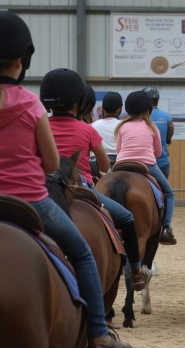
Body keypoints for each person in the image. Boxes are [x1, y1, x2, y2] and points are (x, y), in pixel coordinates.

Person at [0, 9, 132, 348]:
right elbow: (49, 164)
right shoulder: (30, 104)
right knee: (82, 255)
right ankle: (99, 338)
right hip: (29, 200)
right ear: (20, 61)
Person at [41, 68, 152, 291]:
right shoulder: (87, 129)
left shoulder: (40, 127)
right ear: (79, 103)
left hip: (44, 190)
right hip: (79, 188)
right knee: (126, 217)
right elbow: (103, 166)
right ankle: (136, 270)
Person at [115, 90, 177, 245]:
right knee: (169, 193)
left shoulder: (122, 126)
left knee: (100, 186)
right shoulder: (152, 127)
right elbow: (158, 152)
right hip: (147, 165)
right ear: (148, 110)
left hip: (122, 164)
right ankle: (166, 228)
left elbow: (119, 150)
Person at [144, 87, 174, 179]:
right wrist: (168, 140)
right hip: (162, 162)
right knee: (165, 188)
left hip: (143, 163)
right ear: (157, 100)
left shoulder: (139, 117)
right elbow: (169, 136)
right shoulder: (166, 116)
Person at [92, 91, 123, 167]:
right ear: (119, 110)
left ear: (102, 109)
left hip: (98, 163)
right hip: (119, 164)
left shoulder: (93, 125)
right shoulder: (123, 125)